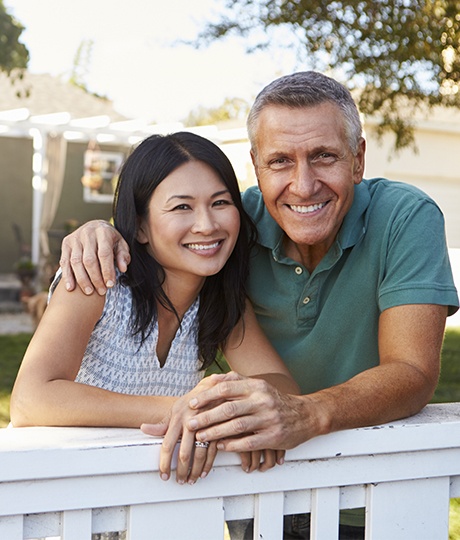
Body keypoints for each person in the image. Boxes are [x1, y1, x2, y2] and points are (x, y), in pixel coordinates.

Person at [57, 72, 459, 538]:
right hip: (262, 488)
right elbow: (166, 225)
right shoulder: (231, 226)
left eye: (324, 156)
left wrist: (305, 414)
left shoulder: (405, 217)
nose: (304, 185)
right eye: (281, 161)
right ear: (256, 165)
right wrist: (101, 231)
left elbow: (412, 372)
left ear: (358, 159)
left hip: (373, 496)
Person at [10, 131, 299, 486]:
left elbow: (285, 388)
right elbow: (30, 399)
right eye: (182, 207)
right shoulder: (98, 280)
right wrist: (184, 409)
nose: (207, 225)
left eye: (220, 203)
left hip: (151, 500)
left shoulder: (222, 301)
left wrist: (219, 400)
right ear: (142, 226)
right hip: (59, 493)